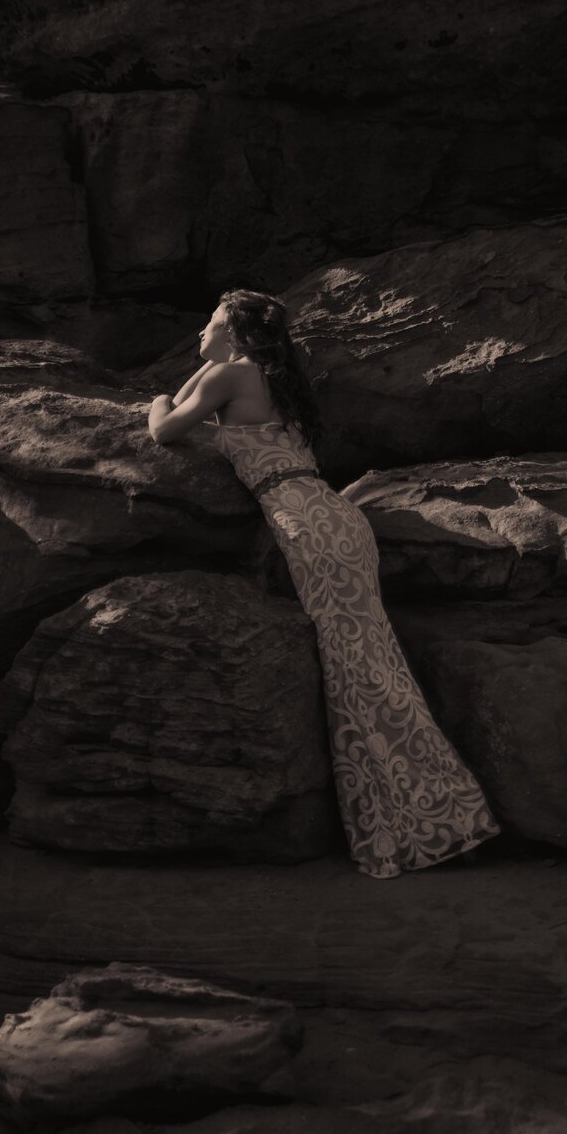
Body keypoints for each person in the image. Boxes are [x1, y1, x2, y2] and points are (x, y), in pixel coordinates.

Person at [147, 288, 501, 878]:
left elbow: (164, 430)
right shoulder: (266, 377)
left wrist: (157, 397)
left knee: (355, 670)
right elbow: (207, 377)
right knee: (374, 661)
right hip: (337, 518)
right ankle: (447, 817)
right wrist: (215, 356)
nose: (199, 337)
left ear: (233, 335)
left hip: (305, 525)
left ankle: (423, 828)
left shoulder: (229, 375)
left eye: (209, 326)